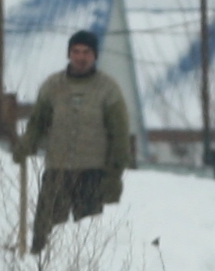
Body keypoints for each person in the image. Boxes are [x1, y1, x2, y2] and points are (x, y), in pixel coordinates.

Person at [20, 29, 134, 251]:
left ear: (95, 56)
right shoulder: (52, 86)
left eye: (87, 52)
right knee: (45, 232)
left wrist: (114, 177)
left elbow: (119, 137)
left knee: (88, 239)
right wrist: (27, 144)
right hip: (57, 172)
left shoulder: (108, 90)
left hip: (93, 175)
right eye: (76, 51)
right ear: (69, 54)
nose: (81, 57)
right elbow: (37, 123)